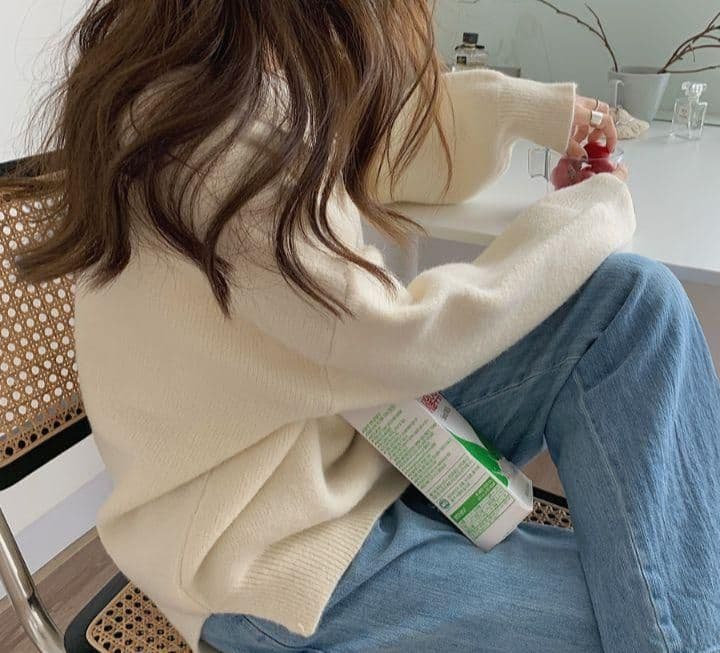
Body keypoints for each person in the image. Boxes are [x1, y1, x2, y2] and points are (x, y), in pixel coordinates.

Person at [4, 2, 718, 652]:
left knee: (633, 302)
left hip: (353, 440)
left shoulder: (224, 72)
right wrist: (593, 211)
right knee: (665, 607)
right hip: (270, 552)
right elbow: (405, 342)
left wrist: (536, 111)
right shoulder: (212, 148)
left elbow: (373, 145)